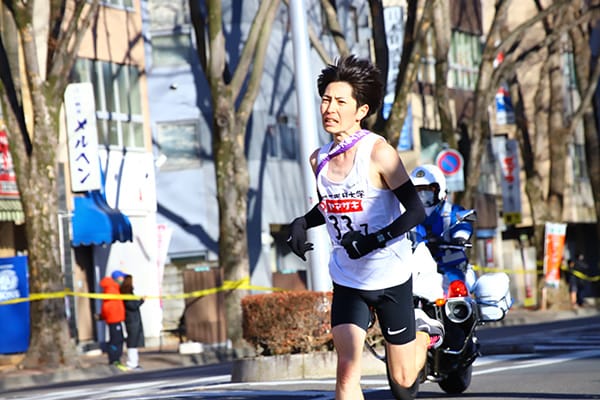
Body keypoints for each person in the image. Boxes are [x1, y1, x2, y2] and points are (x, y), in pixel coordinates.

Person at [287, 55, 444, 398]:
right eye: (326, 100)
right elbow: (330, 206)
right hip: (348, 277)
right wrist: (302, 222)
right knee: (346, 372)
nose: (329, 108)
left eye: (340, 101)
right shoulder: (319, 159)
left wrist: (374, 241)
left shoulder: (378, 153)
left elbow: (416, 211)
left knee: (403, 384)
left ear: (360, 110)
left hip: (390, 275)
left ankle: (423, 332)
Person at [99, 270, 128, 371]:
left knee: (117, 339)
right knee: (116, 340)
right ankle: (115, 359)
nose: (123, 280)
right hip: (114, 318)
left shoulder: (114, 289)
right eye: (122, 278)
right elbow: (109, 306)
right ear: (118, 278)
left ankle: (115, 358)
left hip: (116, 318)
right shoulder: (112, 289)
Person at [120, 274, 145, 370]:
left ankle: (134, 362)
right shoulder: (126, 295)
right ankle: (131, 363)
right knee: (132, 341)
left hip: (133, 319)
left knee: (134, 341)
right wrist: (141, 301)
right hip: (131, 320)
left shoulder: (128, 293)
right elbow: (132, 306)